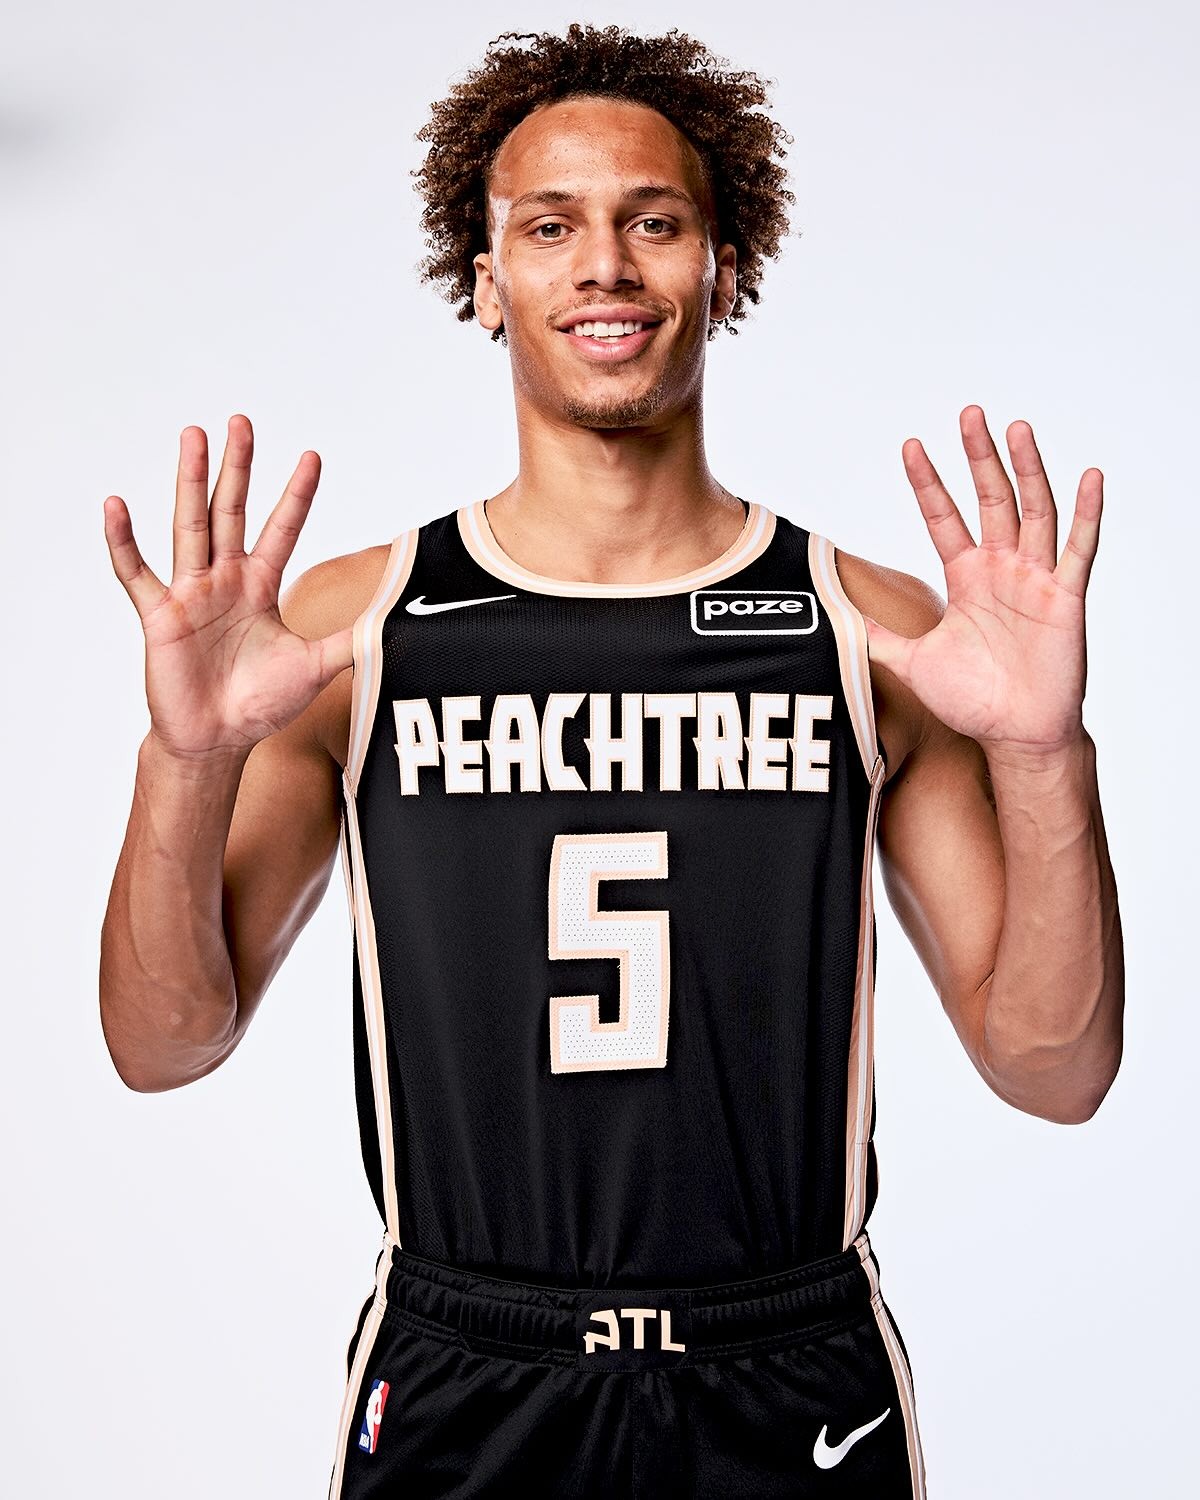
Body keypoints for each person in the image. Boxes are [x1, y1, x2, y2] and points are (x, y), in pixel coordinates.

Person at [98, 24, 1123, 1500]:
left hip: (785, 1367)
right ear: (484, 278)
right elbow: (160, 1045)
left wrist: (1042, 752)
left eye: (654, 221)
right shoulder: (357, 631)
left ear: (723, 267)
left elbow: (1057, 1068)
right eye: (550, 226)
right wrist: (183, 757)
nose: (604, 266)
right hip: (467, 1360)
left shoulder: (868, 631)